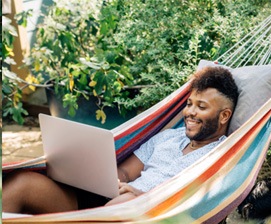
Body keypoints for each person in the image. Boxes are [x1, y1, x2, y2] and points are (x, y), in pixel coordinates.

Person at [2, 66, 239, 214]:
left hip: (142, 218)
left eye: (201, 107)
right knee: (23, 183)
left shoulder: (221, 156)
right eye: (189, 104)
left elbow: (192, 201)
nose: (190, 113)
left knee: (118, 207)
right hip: (110, 202)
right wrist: (104, 179)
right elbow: (125, 173)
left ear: (224, 116)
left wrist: (138, 195)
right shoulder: (168, 137)